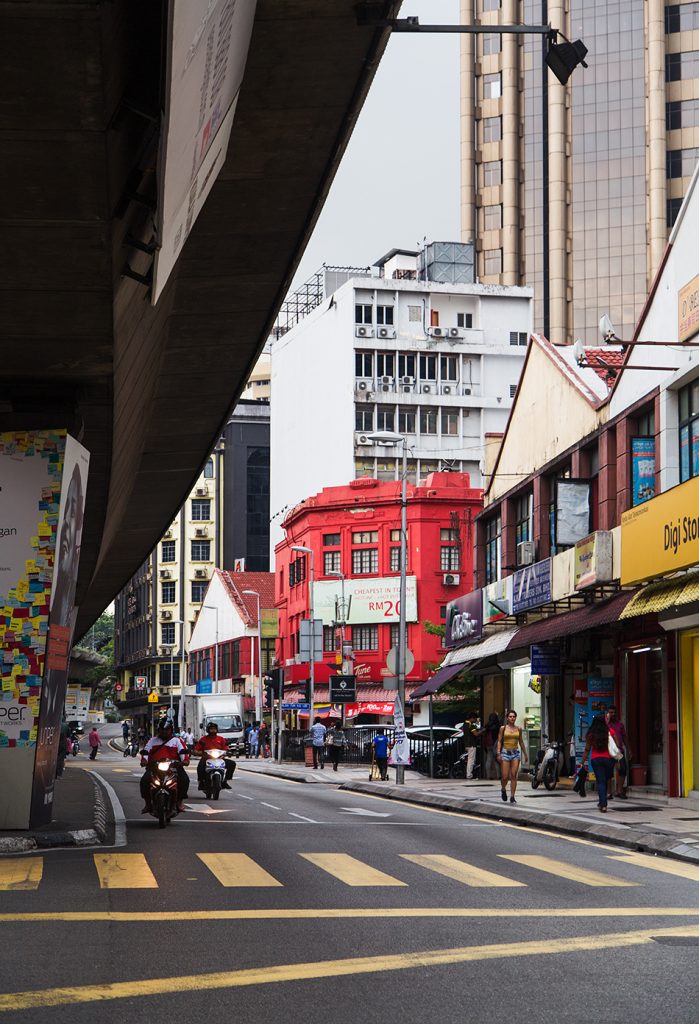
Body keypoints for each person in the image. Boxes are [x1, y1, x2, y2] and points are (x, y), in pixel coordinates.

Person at [140, 722, 190, 813]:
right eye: (162, 730)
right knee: (144, 780)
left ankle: (179, 803)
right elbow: (146, 751)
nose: (164, 732)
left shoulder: (176, 740)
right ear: (159, 730)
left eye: (167, 730)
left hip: (173, 766)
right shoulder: (152, 740)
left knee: (184, 779)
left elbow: (183, 752)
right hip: (155, 767)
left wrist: (185, 760)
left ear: (171, 730)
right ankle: (148, 804)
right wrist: (144, 760)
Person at [582, 714, 614, 813]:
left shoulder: (590, 734)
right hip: (608, 759)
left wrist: (582, 762)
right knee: (605, 781)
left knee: (601, 782)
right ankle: (602, 802)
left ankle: (603, 805)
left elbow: (587, 749)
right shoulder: (609, 732)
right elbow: (615, 745)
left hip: (596, 760)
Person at [496, 710, 527, 804]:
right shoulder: (503, 728)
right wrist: (498, 753)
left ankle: (512, 796)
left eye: (514, 716)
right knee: (505, 776)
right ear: (507, 718)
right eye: (510, 716)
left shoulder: (519, 729)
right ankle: (503, 788)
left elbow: (521, 741)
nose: (512, 718)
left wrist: (525, 754)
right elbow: (499, 741)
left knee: (513, 775)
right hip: (505, 753)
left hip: (515, 753)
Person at [193, 722, 236, 791]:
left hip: (219, 759)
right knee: (200, 767)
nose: (213, 731)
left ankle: (225, 781)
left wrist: (227, 752)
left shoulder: (221, 739)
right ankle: (201, 782)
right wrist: (200, 753)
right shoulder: (203, 739)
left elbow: (225, 748)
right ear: (208, 730)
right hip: (207, 759)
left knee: (232, 764)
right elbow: (196, 750)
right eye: (211, 729)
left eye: (214, 729)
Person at [607, 705, 630, 799]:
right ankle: (608, 792)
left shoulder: (620, 724)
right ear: (607, 713)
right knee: (608, 772)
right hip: (608, 751)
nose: (613, 714)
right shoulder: (604, 724)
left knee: (623, 769)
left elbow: (624, 737)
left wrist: (629, 749)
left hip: (619, 751)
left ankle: (619, 790)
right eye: (611, 712)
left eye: (614, 712)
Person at [482, 712, 501, 780]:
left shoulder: (487, 725)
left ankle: (488, 775)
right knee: (496, 760)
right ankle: (498, 775)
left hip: (488, 744)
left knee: (489, 759)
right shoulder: (498, 725)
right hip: (495, 743)